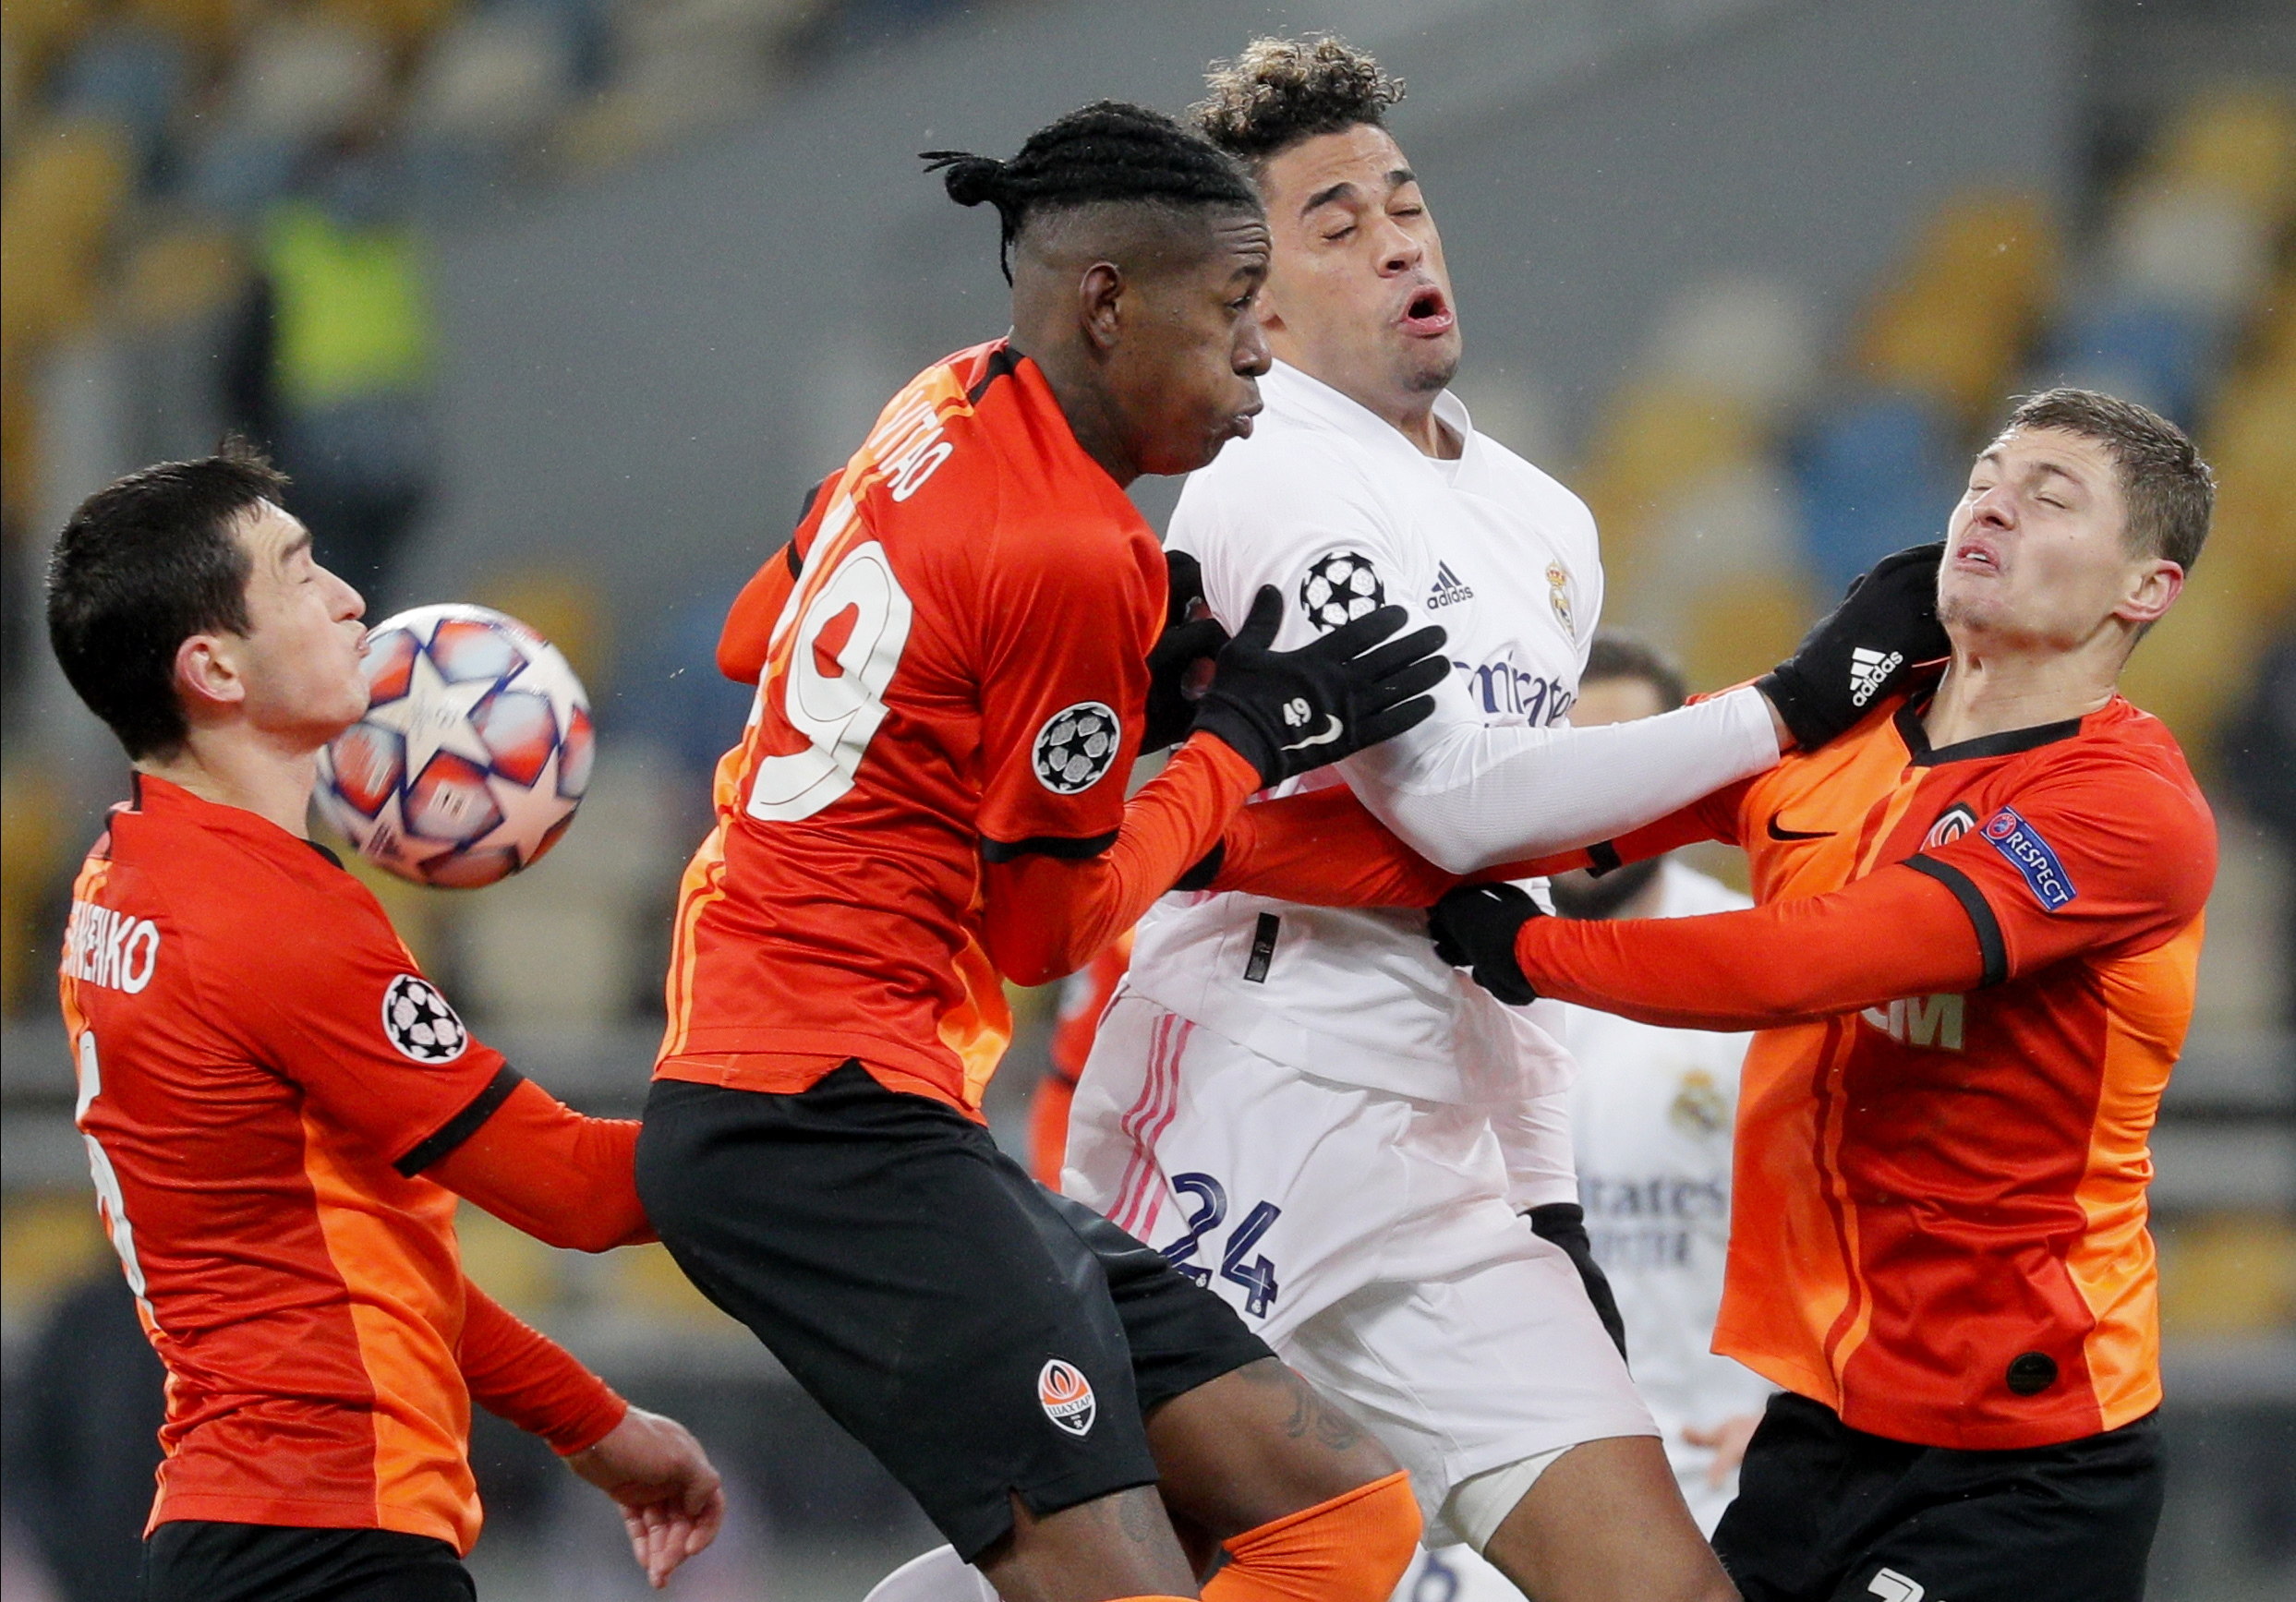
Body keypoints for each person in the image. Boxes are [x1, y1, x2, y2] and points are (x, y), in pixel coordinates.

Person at [1057, 40, 1942, 1602]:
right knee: (1117, 1574)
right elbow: (1457, 805)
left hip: (1443, 1131)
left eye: (1406, 203)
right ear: (1254, 304)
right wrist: (1790, 708)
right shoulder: (1269, 477)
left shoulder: (1543, 519)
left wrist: (1546, 1192)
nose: (1399, 237)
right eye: (1335, 223)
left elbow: (1507, 884)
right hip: (1248, 1092)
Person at [635, 103, 1449, 1602]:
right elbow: (1043, 932)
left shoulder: (938, 400)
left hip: (833, 1108)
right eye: (1229, 314)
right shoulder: (1081, 552)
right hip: (822, 1124)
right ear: (1105, 302)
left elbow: (768, 633)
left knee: (1339, 1514)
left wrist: (1103, 691)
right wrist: (1238, 745)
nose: (1258, 355)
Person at [1429, 387, 2217, 1601]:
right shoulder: (1838, 734)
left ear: (2143, 589)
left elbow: (1807, 960)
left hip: (2024, 1454)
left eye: (2048, 494)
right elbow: (1560, 804)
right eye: (1984, 479)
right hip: (1818, 1418)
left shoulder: (2125, 810)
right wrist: (1219, 823)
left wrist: (1535, 951)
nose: (1991, 502)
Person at [42, 446, 725, 1602]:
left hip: (239, 1534)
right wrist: (829, 1127)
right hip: (329, 1549)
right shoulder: (273, 919)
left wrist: (596, 1426)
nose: (351, 598)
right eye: (298, 573)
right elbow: (580, 1192)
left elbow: (365, 1267)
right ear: (212, 667)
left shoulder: (124, 879)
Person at [1547, 636, 1771, 1536]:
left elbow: (1863, 1212)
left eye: (1625, 765)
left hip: (1713, 1469)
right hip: (1493, 1484)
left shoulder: (1760, 966)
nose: (1593, 803)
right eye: (1564, 763)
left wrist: (1800, 1408)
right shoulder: (1427, 969)